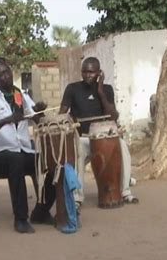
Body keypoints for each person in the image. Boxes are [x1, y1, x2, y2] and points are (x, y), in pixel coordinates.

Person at [0, 57, 54, 233]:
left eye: (7, 71)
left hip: (23, 150)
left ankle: (41, 210)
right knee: (15, 159)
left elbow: (38, 119)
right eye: (0, 75)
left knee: (53, 162)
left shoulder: (21, 95)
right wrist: (7, 120)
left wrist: (39, 111)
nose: (6, 77)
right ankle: (21, 218)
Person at [59, 57, 139, 213]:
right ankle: (77, 198)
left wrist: (101, 92)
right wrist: (65, 120)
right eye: (85, 72)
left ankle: (124, 192)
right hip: (83, 137)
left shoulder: (107, 89)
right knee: (78, 153)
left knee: (122, 147)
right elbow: (62, 112)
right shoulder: (72, 88)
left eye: (91, 72)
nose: (88, 75)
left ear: (99, 73)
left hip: (105, 139)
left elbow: (113, 116)